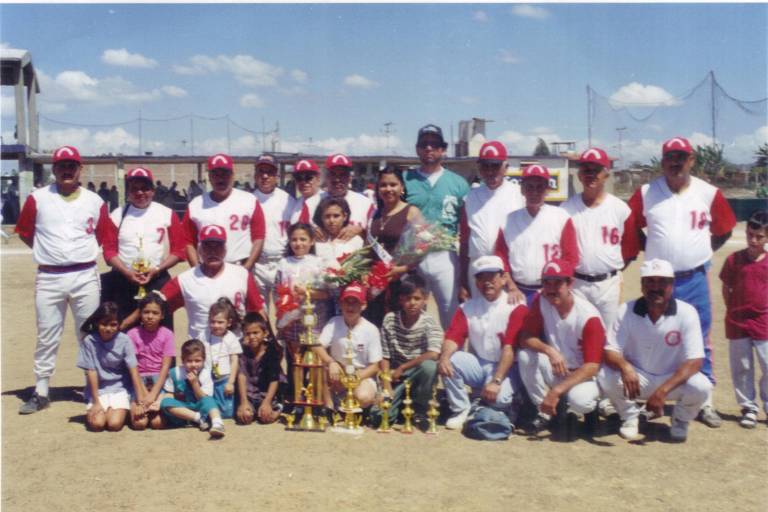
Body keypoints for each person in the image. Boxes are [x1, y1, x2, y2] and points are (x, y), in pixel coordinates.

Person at [628, 136, 737, 427]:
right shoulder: (647, 192)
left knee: (701, 338)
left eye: (682, 157)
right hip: (657, 281)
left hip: (693, 278)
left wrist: (701, 249)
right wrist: (649, 249)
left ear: (691, 161)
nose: (676, 162)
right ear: (663, 161)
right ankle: (645, 391)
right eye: (670, 157)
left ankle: (706, 401)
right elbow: (630, 227)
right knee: (654, 334)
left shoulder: (708, 192)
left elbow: (725, 228)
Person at [15, 145, 114, 414]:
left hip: (84, 274)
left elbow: (104, 236)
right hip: (50, 275)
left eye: (72, 166)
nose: (67, 170)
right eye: (62, 166)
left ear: (80, 169)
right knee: (48, 334)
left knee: (89, 333)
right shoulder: (38, 198)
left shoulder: (95, 201)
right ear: (54, 169)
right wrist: (48, 251)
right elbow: (25, 232)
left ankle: (91, 387)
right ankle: (42, 389)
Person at [598, 259, 712, 442]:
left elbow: (695, 361)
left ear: (672, 285)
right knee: (605, 375)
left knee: (702, 386)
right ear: (642, 286)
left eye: (662, 282)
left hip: (671, 378)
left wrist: (662, 392)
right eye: (650, 281)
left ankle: (681, 419)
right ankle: (630, 416)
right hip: (637, 378)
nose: (656, 287)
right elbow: (610, 351)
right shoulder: (625, 310)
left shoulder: (687, 312)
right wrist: (625, 367)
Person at [129, 224, 266, 340]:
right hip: (200, 353)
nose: (213, 252)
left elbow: (258, 311)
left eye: (217, 246)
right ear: (199, 249)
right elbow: (153, 304)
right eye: (207, 247)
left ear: (225, 249)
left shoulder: (241, 274)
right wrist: (123, 326)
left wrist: (269, 339)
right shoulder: (185, 279)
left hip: (236, 349)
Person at [438, 256, 528, 430]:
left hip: (508, 368)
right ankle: (462, 409)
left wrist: (496, 380)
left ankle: (514, 400)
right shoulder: (467, 307)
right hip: (481, 364)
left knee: (499, 399)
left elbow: (510, 347)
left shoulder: (516, 306)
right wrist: (444, 358)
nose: (487, 282)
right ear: (476, 282)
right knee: (451, 360)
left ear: (503, 279)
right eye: (481, 278)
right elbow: (453, 337)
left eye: (492, 277)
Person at [516, 259, 605, 434]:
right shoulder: (541, 300)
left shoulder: (588, 316)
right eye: (546, 283)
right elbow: (525, 338)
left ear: (570, 283)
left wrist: (556, 391)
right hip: (559, 368)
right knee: (525, 356)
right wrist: (549, 350)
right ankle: (545, 412)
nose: (551, 289)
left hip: (585, 377)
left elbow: (592, 367)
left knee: (580, 401)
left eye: (557, 283)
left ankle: (588, 408)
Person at [560, 148, 640, 330]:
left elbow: (630, 250)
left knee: (609, 336)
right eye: (586, 170)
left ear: (606, 174)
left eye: (596, 170)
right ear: (579, 175)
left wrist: (610, 272)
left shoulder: (620, 209)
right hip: (577, 283)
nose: (591, 175)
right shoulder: (566, 209)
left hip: (608, 285)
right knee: (578, 332)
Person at [403, 124, 469, 328]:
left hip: (444, 256)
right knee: (410, 312)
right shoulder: (404, 180)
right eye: (424, 144)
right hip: (411, 256)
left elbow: (466, 225)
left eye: (434, 144)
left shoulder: (458, 183)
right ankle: (414, 357)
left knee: (450, 312)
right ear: (417, 149)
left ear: (443, 148)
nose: (429, 148)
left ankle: (452, 357)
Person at [101, 167, 186, 326]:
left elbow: (179, 250)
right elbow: (109, 251)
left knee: (160, 329)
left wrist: (157, 269)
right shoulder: (117, 215)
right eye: (134, 189)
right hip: (124, 281)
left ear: (153, 191)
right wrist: (126, 272)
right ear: (128, 192)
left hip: (157, 279)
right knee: (124, 329)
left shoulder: (166, 214)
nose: (140, 193)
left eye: (145, 188)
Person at [495, 164, 579, 305]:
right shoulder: (508, 220)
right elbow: (501, 258)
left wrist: (557, 288)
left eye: (540, 187)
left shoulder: (561, 217)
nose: (534, 192)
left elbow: (571, 258)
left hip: (552, 292)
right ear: (522, 190)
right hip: (518, 292)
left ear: (547, 189)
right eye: (530, 187)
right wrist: (511, 287)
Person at [719, 210, 768, 428]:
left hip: (763, 320)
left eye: (759, 236)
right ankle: (748, 407)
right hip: (737, 320)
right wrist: (732, 309)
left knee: (767, 364)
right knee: (742, 366)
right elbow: (726, 287)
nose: (753, 240)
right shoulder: (733, 260)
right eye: (750, 235)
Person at [372, 274, 442, 426]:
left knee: (429, 367)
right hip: (394, 376)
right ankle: (400, 405)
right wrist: (387, 385)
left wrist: (403, 367)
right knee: (379, 417)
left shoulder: (430, 323)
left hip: (416, 374)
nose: (412, 303)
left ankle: (420, 408)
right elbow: (384, 354)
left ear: (425, 299)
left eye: (417, 298)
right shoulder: (390, 319)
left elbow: (434, 353)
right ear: (401, 299)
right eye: (408, 298)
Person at [458, 140, 524, 301]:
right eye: (485, 166)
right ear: (479, 168)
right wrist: (463, 281)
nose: (490, 171)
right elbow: (465, 241)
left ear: (505, 167)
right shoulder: (471, 197)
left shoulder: (518, 195)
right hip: (477, 268)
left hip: (506, 269)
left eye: (495, 166)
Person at [182, 153, 266, 271]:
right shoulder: (195, 205)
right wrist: (197, 270)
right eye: (215, 174)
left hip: (240, 266)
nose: (220, 179)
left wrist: (246, 268)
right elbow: (188, 242)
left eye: (225, 174)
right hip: (207, 269)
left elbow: (259, 237)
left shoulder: (249, 200)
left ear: (232, 175)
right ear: (209, 177)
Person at [365, 167, 424, 325]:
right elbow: (368, 248)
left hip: (402, 282)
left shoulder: (411, 212)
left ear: (402, 187)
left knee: (401, 327)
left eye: (393, 184)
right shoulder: (374, 214)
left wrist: (403, 269)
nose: (388, 189)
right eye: (383, 185)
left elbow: (425, 246)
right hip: (376, 284)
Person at [315, 283, 382, 409]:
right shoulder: (334, 322)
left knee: (363, 397)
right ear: (341, 304)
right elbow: (317, 345)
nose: (350, 307)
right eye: (347, 302)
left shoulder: (371, 329)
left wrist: (350, 381)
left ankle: (350, 404)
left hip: (360, 375)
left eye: (355, 303)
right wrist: (330, 362)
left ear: (364, 305)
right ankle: (329, 408)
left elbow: (374, 367)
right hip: (337, 371)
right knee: (318, 364)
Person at [77, 302, 142, 432]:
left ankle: (121, 410)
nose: (108, 329)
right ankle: (101, 409)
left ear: (119, 325)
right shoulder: (89, 341)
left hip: (120, 388)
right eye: (104, 324)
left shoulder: (124, 340)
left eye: (113, 325)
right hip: (98, 390)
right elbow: (91, 371)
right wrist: (96, 402)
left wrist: (138, 400)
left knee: (114, 425)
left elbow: (133, 371)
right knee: (97, 425)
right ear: (97, 323)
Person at [275, 223, 330, 359]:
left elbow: (327, 294)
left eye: (303, 239)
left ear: (312, 241)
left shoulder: (319, 262)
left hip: (315, 319)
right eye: (294, 239)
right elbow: (277, 293)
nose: (298, 243)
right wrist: (282, 320)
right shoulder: (284, 263)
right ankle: (295, 381)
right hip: (292, 321)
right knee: (296, 361)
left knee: (317, 361)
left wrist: (307, 292)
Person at [126, 293, 175, 430]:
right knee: (139, 424)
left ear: (162, 315)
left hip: (159, 379)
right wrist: (142, 396)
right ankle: (132, 406)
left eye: (155, 313)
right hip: (138, 380)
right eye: (146, 312)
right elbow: (133, 367)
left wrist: (153, 395)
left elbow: (166, 367)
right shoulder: (132, 334)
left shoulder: (167, 334)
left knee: (157, 423)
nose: (150, 316)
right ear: (140, 314)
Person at [160, 339, 226, 438]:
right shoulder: (175, 373)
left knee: (209, 400)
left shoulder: (205, 373)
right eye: (189, 361)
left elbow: (203, 398)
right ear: (183, 360)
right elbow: (169, 393)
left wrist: (195, 383)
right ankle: (199, 419)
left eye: (197, 361)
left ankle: (218, 423)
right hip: (183, 409)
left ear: (204, 360)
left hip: (200, 405)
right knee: (165, 402)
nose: (193, 364)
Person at [252, 154, 294, 310]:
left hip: (281, 261)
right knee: (259, 314)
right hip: (258, 263)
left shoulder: (288, 200)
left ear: (276, 176)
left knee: (285, 313)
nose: (265, 176)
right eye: (261, 171)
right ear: (255, 175)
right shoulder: (248, 200)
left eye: (269, 172)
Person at [236, 312, 284, 425]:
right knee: (245, 417)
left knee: (266, 418)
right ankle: (250, 408)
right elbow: (241, 375)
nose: (252, 337)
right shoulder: (242, 350)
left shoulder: (271, 350)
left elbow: (274, 379)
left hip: (266, 394)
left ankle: (280, 406)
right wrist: (244, 402)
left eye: (255, 333)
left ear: (265, 333)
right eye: (248, 333)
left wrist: (267, 402)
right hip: (249, 395)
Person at [200, 302, 242, 419]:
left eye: (220, 322)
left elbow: (234, 360)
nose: (216, 325)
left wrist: (231, 382)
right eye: (212, 322)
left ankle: (217, 416)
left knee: (227, 412)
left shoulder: (231, 338)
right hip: (207, 377)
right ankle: (208, 416)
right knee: (207, 403)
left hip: (224, 379)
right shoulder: (204, 335)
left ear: (229, 322)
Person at [324, 153, 375, 237]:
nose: (337, 179)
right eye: (333, 174)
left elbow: (375, 235)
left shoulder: (366, 203)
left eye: (342, 175)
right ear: (327, 177)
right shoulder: (311, 203)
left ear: (350, 178)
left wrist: (361, 230)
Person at [314, 196, 364, 270]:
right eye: (327, 216)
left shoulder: (356, 240)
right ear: (321, 218)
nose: (331, 220)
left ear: (345, 217)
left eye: (336, 216)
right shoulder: (315, 241)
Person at [288, 159, 325, 227]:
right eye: (299, 178)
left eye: (308, 178)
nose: (303, 182)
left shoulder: (326, 200)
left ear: (318, 179)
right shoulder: (295, 203)